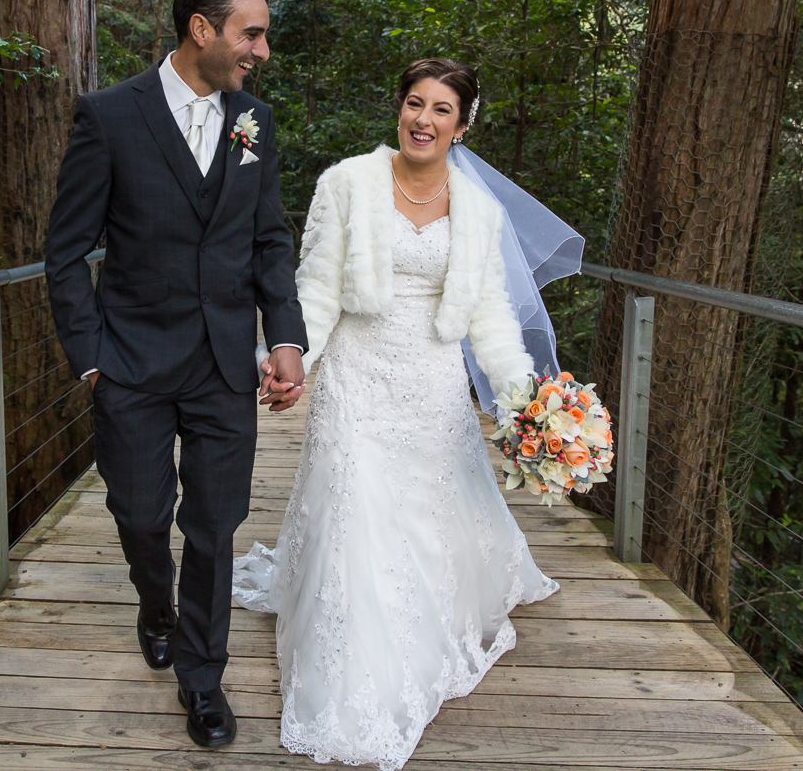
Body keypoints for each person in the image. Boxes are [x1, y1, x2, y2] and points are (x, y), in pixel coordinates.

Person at [233, 58, 563, 770]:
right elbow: (314, 292)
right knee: (357, 520)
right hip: (356, 380)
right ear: (399, 109)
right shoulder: (346, 184)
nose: (424, 119)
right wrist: (293, 360)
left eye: (442, 109)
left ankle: (421, 626)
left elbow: (492, 319)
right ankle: (354, 667)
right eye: (415, 103)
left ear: (462, 125)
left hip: (435, 385)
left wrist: (523, 402)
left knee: (420, 525)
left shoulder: (479, 210)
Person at [45, 0, 309, 749]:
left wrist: (284, 339)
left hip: (225, 364)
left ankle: (203, 678)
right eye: (250, 33)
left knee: (214, 526)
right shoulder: (109, 117)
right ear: (202, 28)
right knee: (138, 513)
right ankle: (152, 602)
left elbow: (269, 241)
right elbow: (65, 253)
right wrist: (91, 358)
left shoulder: (253, 121)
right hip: (128, 360)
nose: (260, 49)